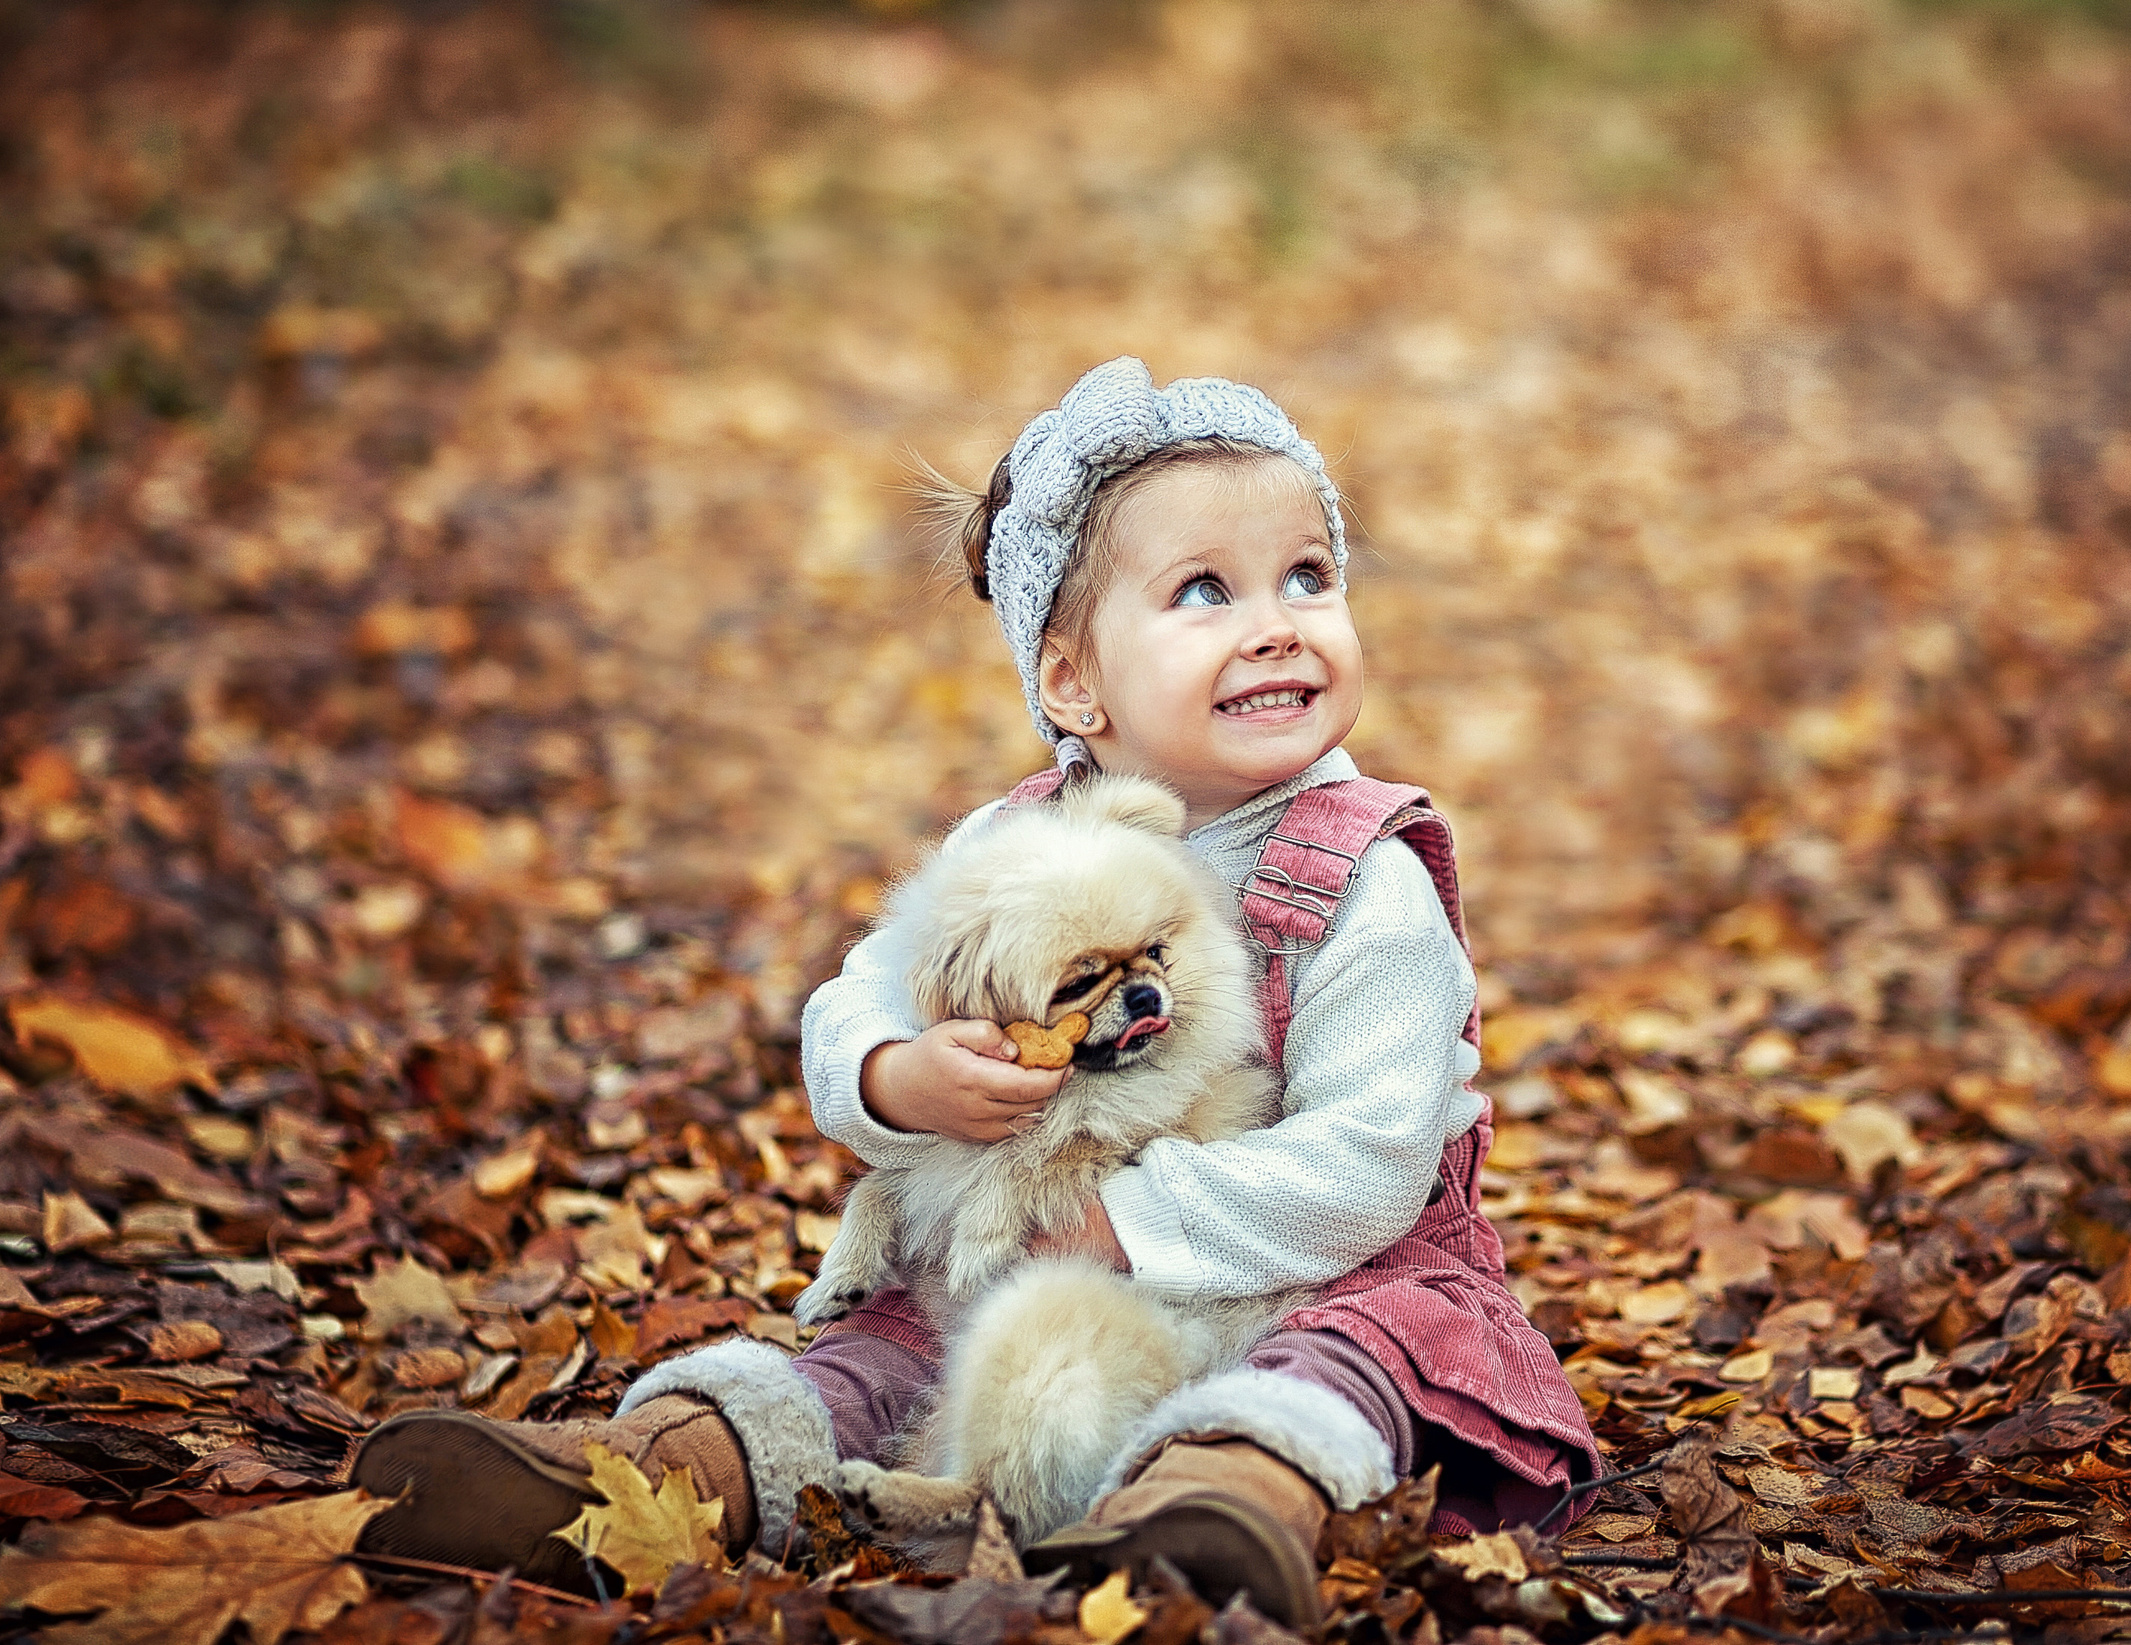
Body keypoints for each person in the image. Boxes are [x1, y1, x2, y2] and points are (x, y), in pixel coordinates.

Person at [351, 358, 1601, 1625]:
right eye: (1204, 591)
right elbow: (854, 1001)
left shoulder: (1362, 878)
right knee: (879, 1354)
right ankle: (670, 1474)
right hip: (1013, 1277)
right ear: (1071, 683)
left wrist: (1127, 1224)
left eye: (1309, 577)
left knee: (1334, 1371)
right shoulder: (1011, 849)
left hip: (1317, 1272)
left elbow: (1373, 1159)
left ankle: (1219, 1501)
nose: (1277, 622)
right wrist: (897, 1076)